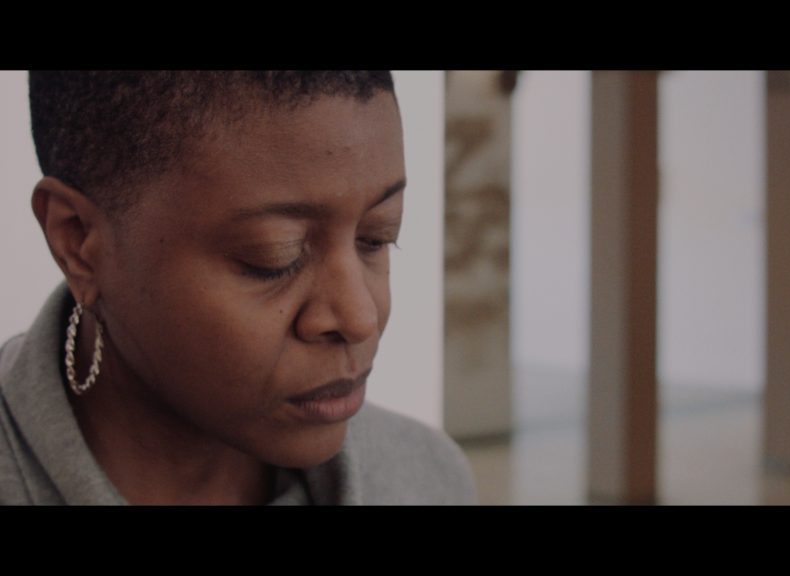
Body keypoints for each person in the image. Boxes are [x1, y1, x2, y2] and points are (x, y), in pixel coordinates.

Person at [0, 71, 477, 505]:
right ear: (78, 242)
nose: (360, 317)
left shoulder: (426, 477)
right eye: (275, 258)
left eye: (375, 237)